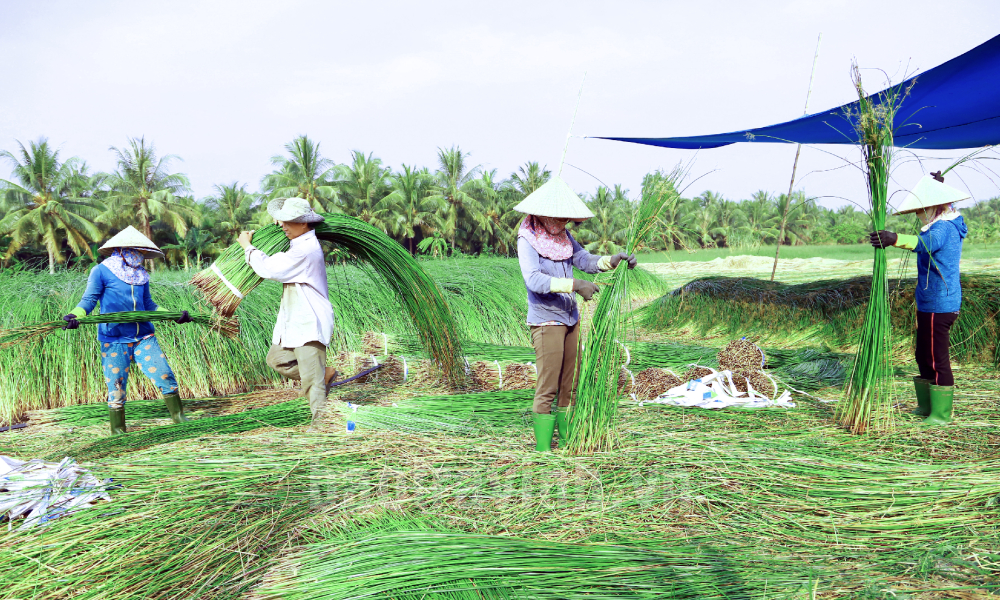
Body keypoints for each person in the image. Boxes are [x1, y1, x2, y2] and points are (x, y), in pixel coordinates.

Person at [514, 176, 638, 451]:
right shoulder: (528, 239)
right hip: (547, 320)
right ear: (544, 213)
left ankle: (568, 443)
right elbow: (534, 280)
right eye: (559, 217)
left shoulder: (563, 237)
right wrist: (575, 285)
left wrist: (611, 261)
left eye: (567, 219)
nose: (564, 223)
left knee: (569, 385)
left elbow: (583, 260)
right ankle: (544, 451)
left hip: (571, 318)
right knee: (548, 386)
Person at [62, 226, 194, 436]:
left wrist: (173, 315)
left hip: (144, 337)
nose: (138, 254)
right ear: (122, 249)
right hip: (114, 338)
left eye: (141, 251)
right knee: (116, 387)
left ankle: (178, 417)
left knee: (164, 374)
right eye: (135, 249)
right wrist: (74, 315)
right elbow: (89, 301)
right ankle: (118, 431)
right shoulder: (101, 271)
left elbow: (149, 305)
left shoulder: (141, 274)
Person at [869, 172, 969, 426]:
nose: (917, 215)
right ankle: (927, 406)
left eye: (921, 210)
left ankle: (942, 414)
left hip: (940, 304)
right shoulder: (943, 219)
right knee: (922, 354)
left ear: (934, 208)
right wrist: (938, 187)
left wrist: (894, 239)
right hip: (928, 303)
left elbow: (925, 244)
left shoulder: (944, 227)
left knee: (936, 358)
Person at [238, 198, 337, 423]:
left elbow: (270, 268)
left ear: (304, 224)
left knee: (313, 383)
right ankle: (325, 374)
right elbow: (285, 237)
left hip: (309, 320)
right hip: (294, 320)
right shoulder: (297, 242)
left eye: (288, 222)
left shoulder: (306, 250)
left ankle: (320, 428)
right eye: (281, 222)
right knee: (277, 359)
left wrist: (247, 246)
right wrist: (282, 222)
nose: (283, 226)